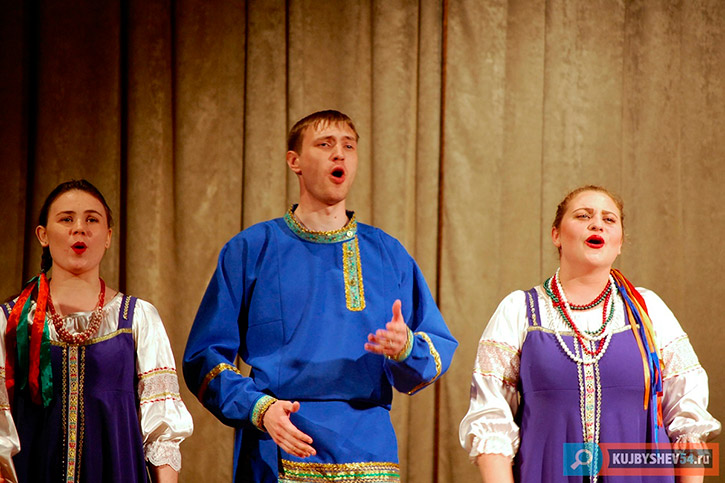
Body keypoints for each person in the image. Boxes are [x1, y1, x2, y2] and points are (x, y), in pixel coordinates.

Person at [183, 109, 458, 482]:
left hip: (368, 452)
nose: (339, 153)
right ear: (294, 161)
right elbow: (204, 358)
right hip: (280, 445)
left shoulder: (387, 253)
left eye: (348, 146)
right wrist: (258, 408)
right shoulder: (251, 249)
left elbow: (436, 346)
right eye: (325, 144)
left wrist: (406, 346)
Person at [459, 185, 720, 483]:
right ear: (556, 235)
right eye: (583, 216)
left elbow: (689, 421)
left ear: (619, 243)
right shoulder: (519, 310)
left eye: (609, 219)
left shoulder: (648, 310)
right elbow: (490, 416)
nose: (597, 224)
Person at [0, 179, 193, 483]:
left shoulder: (138, 319)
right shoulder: (11, 321)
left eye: (92, 219)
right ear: (43, 235)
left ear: (108, 237)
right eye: (66, 219)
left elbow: (162, 427)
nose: (80, 229)